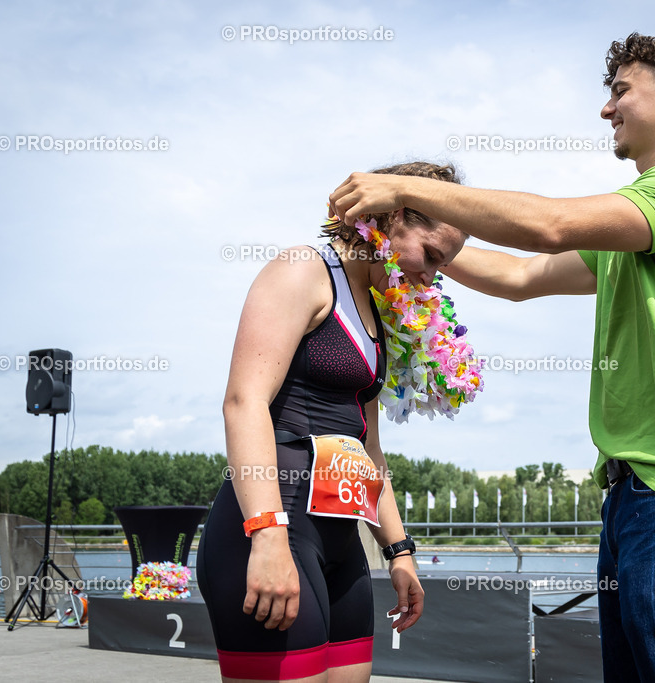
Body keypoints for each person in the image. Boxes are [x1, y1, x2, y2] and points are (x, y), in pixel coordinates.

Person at [329, 32, 655, 683]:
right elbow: (521, 275)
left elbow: (548, 226)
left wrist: (398, 188)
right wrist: (415, 244)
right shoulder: (642, 226)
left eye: (620, 91)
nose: (606, 108)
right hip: (641, 495)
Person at [197, 161, 467, 683]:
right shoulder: (302, 270)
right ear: (390, 218)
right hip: (274, 526)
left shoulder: (376, 312)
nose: (431, 276)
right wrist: (268, 537)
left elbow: (369, 448)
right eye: (431, 255)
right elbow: (244, 402)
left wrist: (399, 551)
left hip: (343, 544)